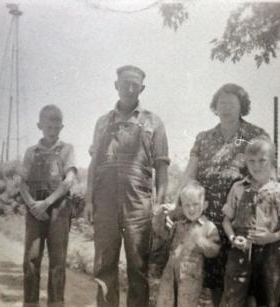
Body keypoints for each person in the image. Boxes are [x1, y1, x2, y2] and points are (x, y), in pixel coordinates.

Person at [84, 65, 170, 307]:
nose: (129, 88)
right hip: (105, 204)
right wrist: (89, 200)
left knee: (138, 270)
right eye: (125, 83)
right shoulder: (102, 123)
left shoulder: (154, 122)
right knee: (104, 268)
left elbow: (161, 168)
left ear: (142, 88)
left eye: (135, 84)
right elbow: (93, 165)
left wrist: (159, 207)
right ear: (116, 86)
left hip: (138, 207)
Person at [180, 83, 269, 306]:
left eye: (232, 103)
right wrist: (176, 204)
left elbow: (268, 176)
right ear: (215, 107)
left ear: (242, 106)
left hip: (244, 220)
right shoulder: (203, 138)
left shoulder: (255, 135)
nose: (226, 108)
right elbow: (189, 174)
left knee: (246, 282)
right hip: (211, 220)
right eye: (221, 103)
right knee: (217, 281)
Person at [220, 137, 280, 307]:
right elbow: (226, 221)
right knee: (233, 300)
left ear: (272, 162)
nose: (256, 166)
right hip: (240, 252)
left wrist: (271, 237)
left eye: (262, 160)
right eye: (251, 161)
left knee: (267, 301)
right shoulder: (238, 188)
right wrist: (233, 239)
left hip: (270, 254)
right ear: (246, 163)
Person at [19, 105, 77, 307]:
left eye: (56, 122)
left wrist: (47, 203)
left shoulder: (67, 149)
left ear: (62, 125)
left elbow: (68, 181)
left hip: (58, 210)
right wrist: (33, 205)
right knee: (31, 260)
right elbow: (22, 183)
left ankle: (56, 303)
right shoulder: (30, 152)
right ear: (39, 125)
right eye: (48, 122)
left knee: (57, 262)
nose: (52, 126)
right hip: (34, 209)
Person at [155, 181, 220, 307]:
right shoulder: (178, 224)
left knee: (186, 303)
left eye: (196, 204)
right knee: (165, 302)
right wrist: (160, 215)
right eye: (187, 205)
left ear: (205, 205)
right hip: (170, 274)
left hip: (191, 277)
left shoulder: (208, 227)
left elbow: (215, 250)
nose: (191, 209)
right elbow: (161, 234)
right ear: (181, 207)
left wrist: (201, 241)